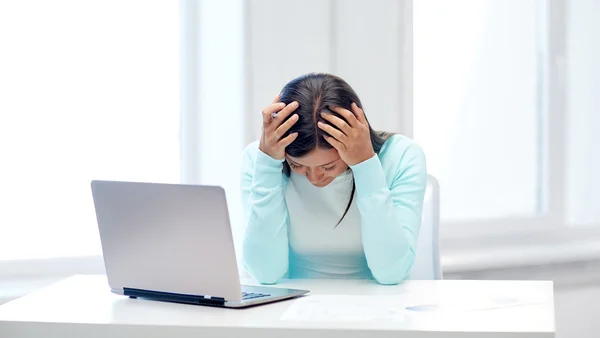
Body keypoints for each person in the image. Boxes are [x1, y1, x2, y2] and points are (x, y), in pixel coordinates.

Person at [240, 73, 427, 285]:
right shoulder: (260, 158)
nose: (314, 178)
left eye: (328, 166)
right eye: (297, 165)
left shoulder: (402, 156)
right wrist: (267, 164)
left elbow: (391, 272)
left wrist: (365, 165)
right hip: (291, 307)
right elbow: (265, 272)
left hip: (381, 307)